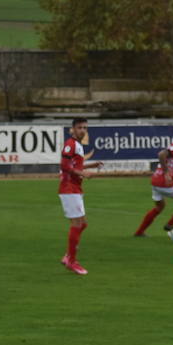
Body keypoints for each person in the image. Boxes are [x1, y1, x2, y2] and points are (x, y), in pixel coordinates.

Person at [58, 117, 103, 275]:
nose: (83, 130)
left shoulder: (77, 145)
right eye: (79, 127)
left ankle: (68, 256)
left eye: (85, 127)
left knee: (82, 224)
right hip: (69, 188)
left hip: (75, 188)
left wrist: (91, 165)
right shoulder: (70, 144)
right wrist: (82, 173)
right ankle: (72, 261)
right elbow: (64, 166)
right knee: (77, 224)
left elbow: (76, 165)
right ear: (73, 129)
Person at [134, 126, 173, 237]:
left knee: (160, 207)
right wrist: (166, 173)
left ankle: (139, 232)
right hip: (164, 182)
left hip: (155, 181)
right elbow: (161, 154)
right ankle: (170, 224)